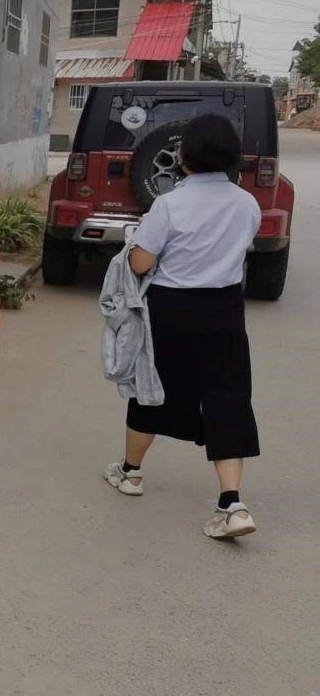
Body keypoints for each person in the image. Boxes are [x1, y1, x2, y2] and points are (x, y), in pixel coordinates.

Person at [104, 113, 263, 540]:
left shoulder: (170, 204)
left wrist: (138, 243)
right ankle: (232, 502)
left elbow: (141, 263)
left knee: (152, 388)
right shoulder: (247, 203)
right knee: (228, 396)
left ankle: (131, 473)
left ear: (183, 155)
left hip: (171, 309)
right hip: (224, 309)